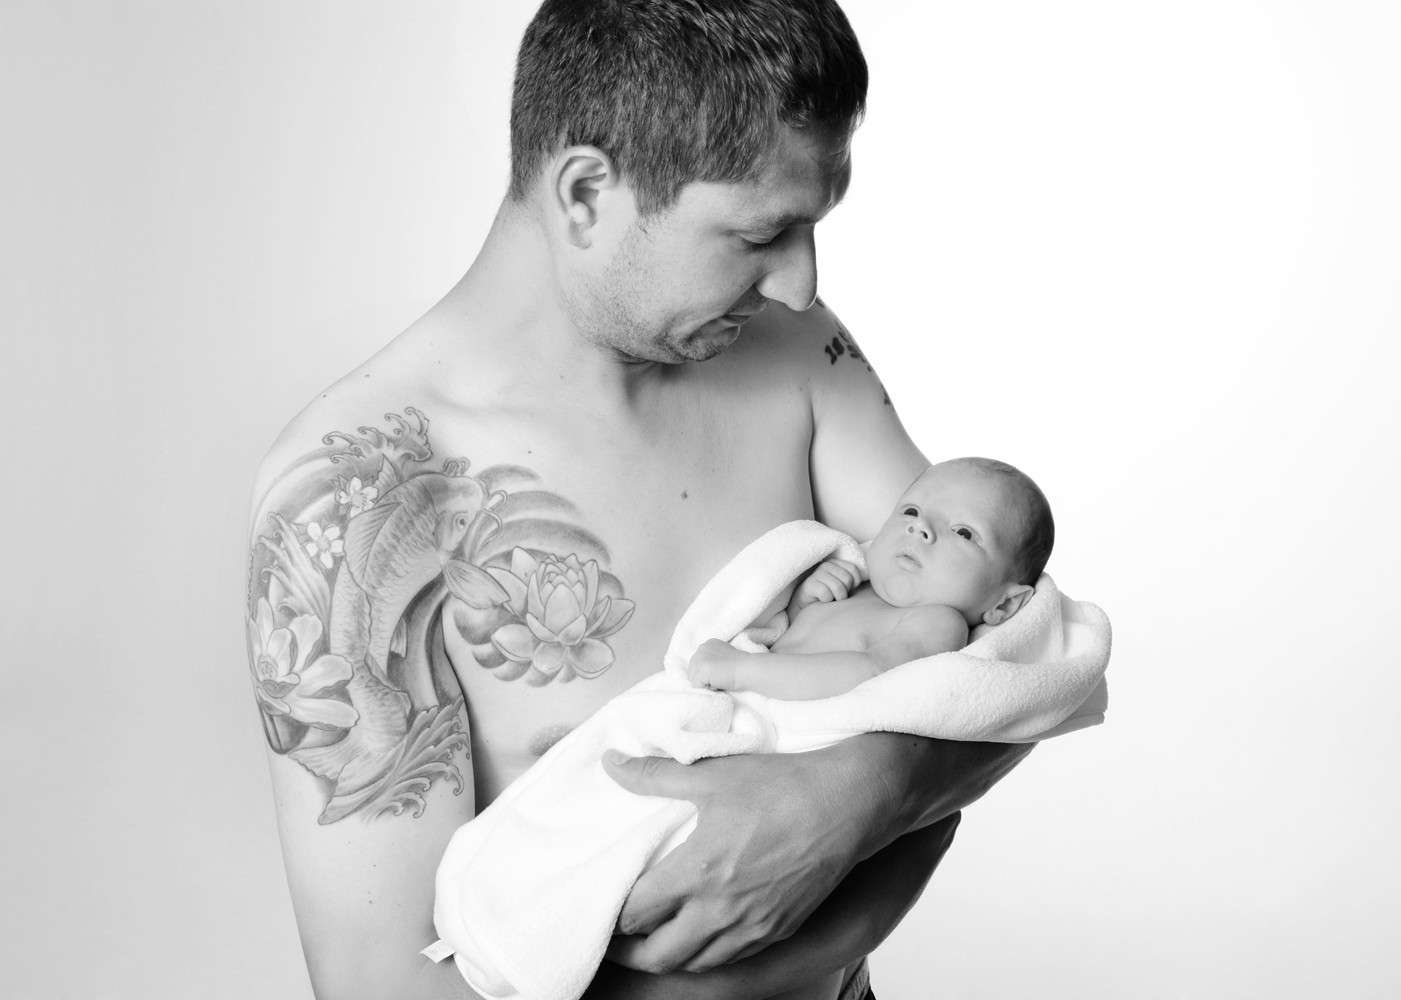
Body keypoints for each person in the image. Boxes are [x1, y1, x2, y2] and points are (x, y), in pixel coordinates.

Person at [244, 1, 1033, 997]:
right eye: (761, 234)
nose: (799, 284)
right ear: (586, 194)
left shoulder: (792, 350)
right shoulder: (359, 497)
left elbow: (1020, 631)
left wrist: (855, 794)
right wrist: (872, 886)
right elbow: (383, 985)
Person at [687, 458, 1054, 701]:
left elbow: (871, 674)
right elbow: (790, 638)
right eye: (911, 510)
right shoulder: (856, 583)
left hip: (773, 714)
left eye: (963, 532)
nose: (920, 526)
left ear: (1004, 604)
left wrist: (742, 670)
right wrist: (802, 603)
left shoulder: (937, 622)